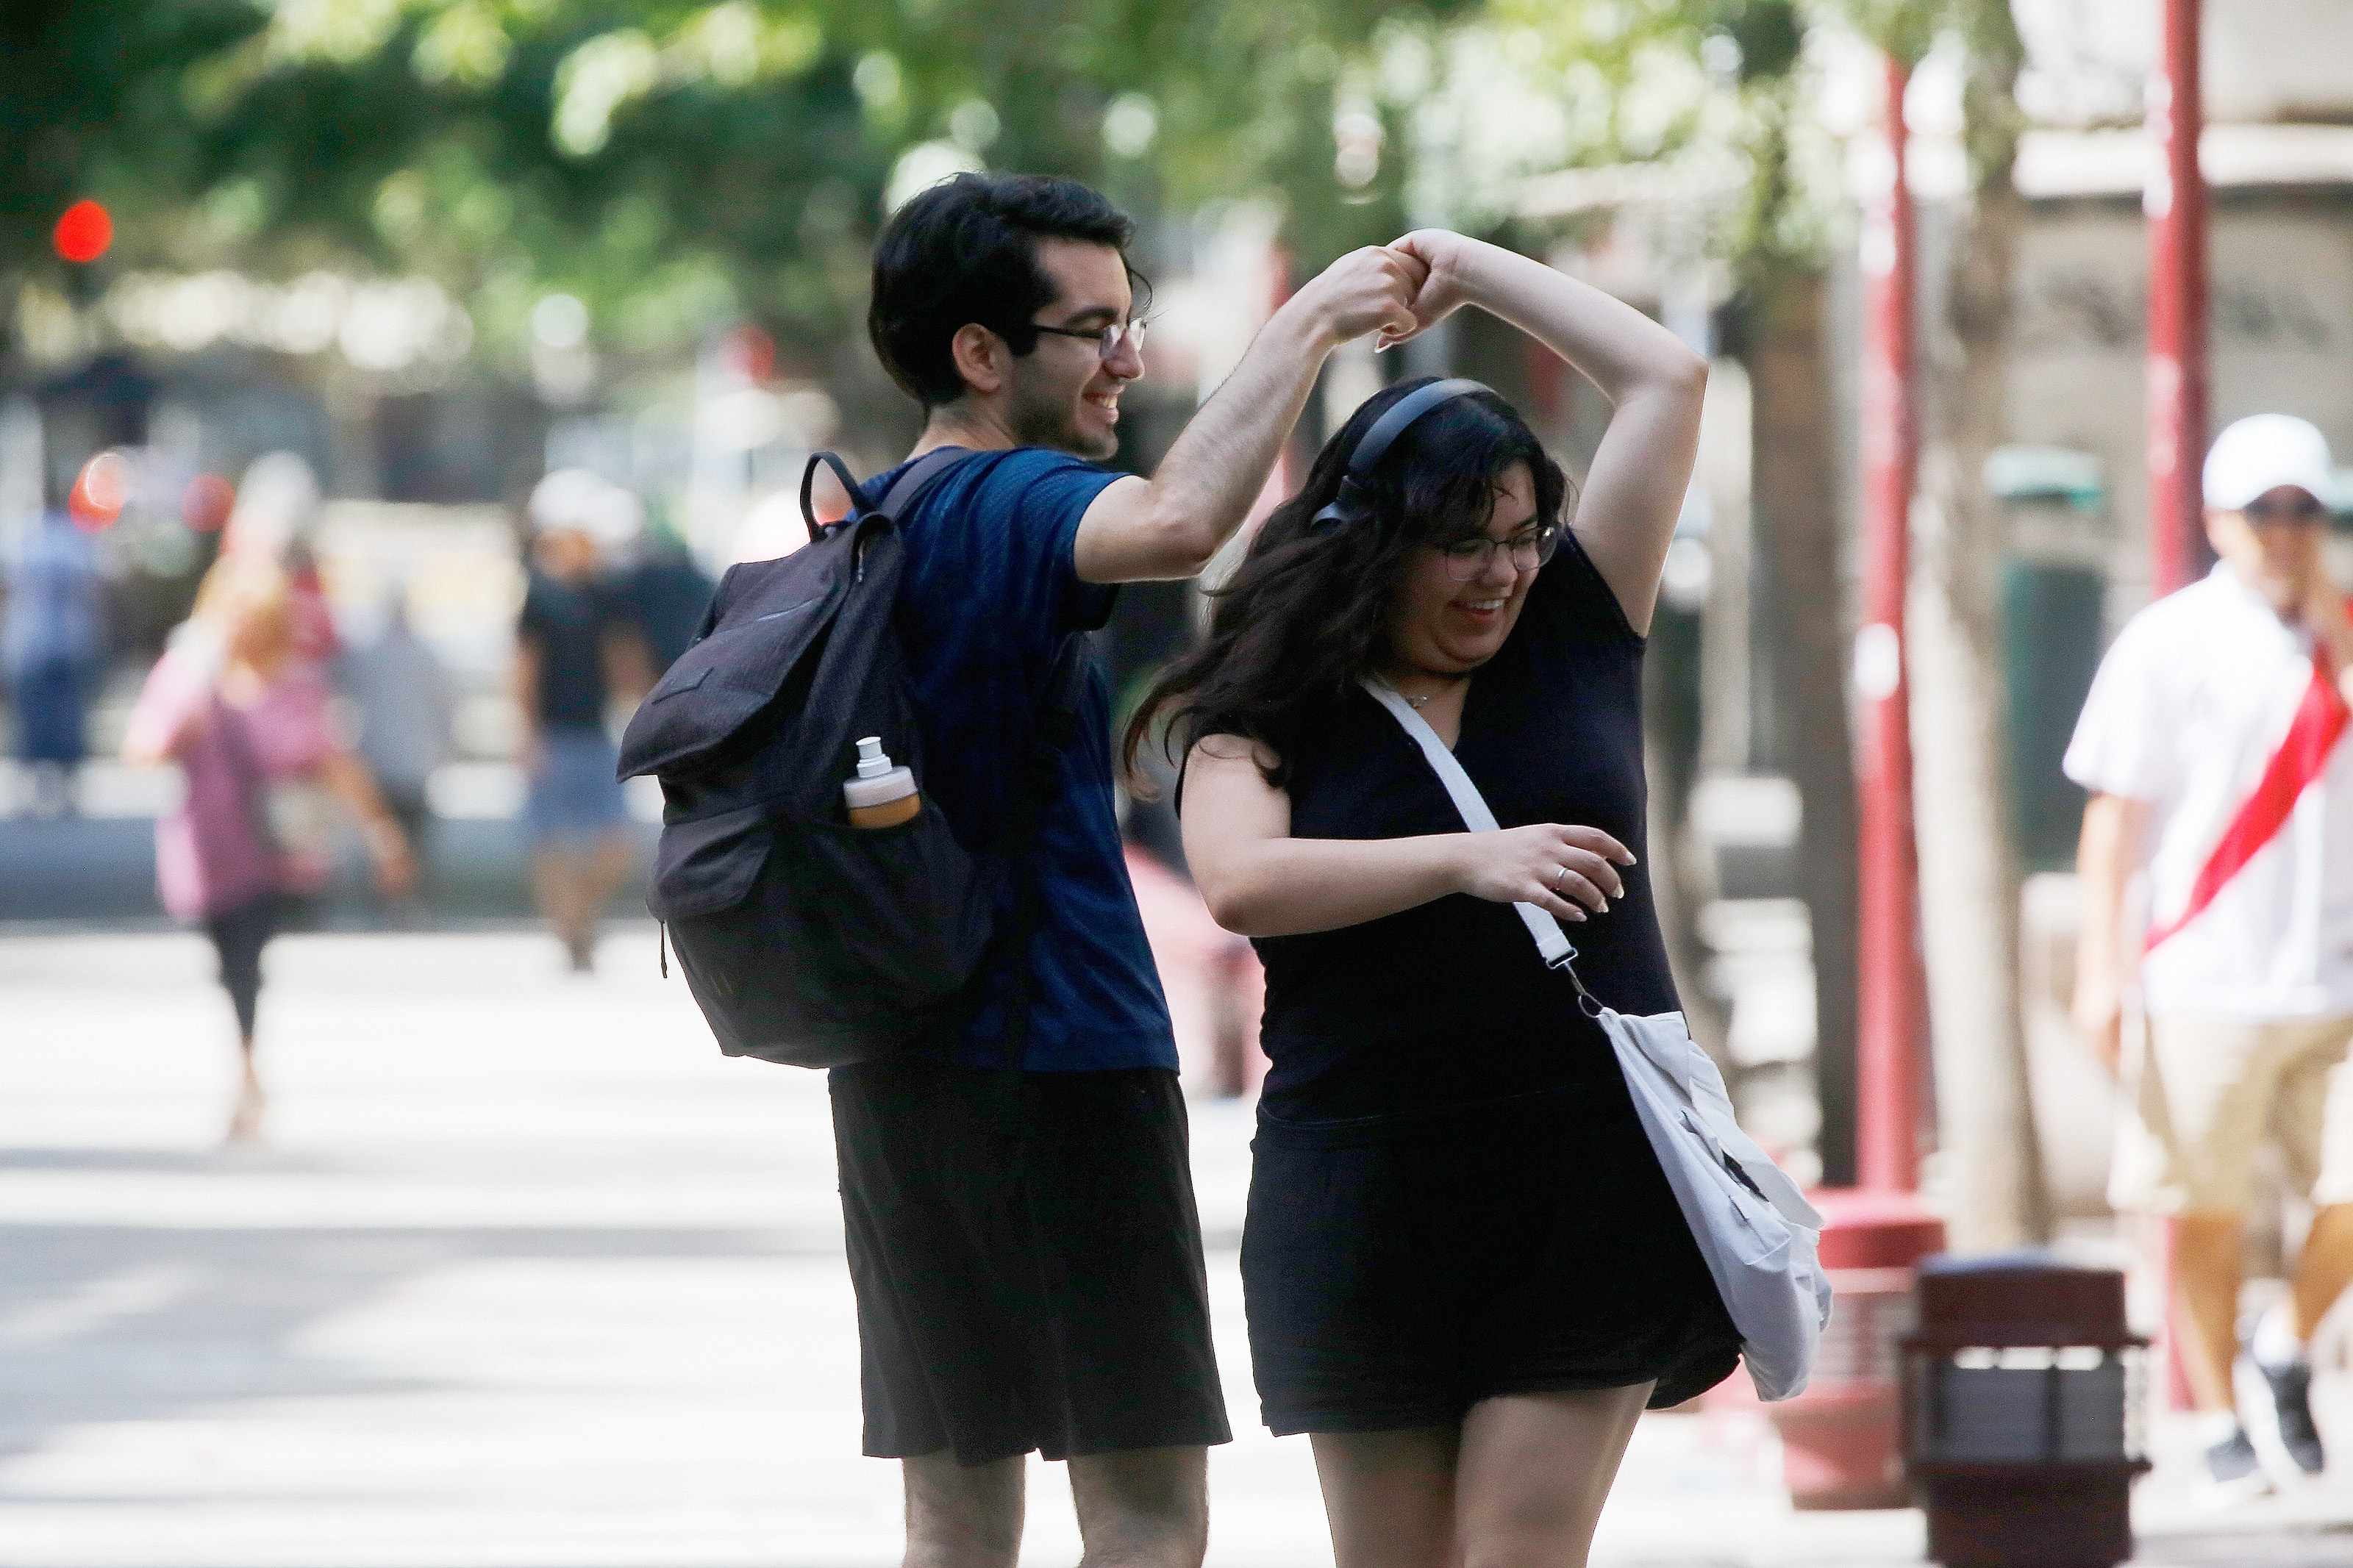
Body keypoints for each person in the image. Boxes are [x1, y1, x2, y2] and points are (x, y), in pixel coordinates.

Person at [840, 172, 1421, 1568]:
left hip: (903, 1067)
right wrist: (1307, 325)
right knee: (1147, 1514)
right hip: (1060, 1060)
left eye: (1130, 320)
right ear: (981, 354)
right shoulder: (1006, 494)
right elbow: (1173, 525)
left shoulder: (880, 510)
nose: (1127, 359)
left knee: (952, 1520)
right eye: (1093, 330)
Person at [1129, 231, 1735, 1568]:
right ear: (1373, 541)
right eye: (1463, 544)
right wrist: (1468, 859)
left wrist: (1462, 264)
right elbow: (1240, 881)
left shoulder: (1577, 624)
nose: (1502, 574)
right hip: (1363, 1186)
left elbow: (1668, 378)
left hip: (1585, 1174)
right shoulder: (1268, 698)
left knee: (1518, 1548)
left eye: (1521, 538)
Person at [2067, 412, 2353, 1494]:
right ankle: (2225, 1418)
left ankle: (2286, 1348)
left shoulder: (2342, 631)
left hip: (2335, 975)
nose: (2284, 531)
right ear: (2217, 520)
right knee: (2204, 1207)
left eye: (2303, 510)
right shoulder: (2168, 641)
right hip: (2203, 974)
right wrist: (2101, 967)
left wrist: (2333, 631)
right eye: (2262, 510)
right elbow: (2114, 815)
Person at [124, 558, 415, 1141]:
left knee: (245, 959)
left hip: (269, 852)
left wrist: (382, 833)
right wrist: (189, 711)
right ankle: (246, 1062)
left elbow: (333, 761)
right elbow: (144, 747)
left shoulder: (295, 685)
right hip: (204, 848)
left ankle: (247, 1070)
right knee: (226, 958)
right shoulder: (190, 674)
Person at [513, 469, 650, 973]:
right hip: (552, 734)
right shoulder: (538, 596)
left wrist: (648, 714)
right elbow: (524, 672)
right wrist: (526, 735)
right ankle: (571, 933)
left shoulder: (607, 595)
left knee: (616, 844)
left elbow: (624, 661)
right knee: (551, 844)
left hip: (595, 733)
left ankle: (580, 919)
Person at [340, 584, 453, 897]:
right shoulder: (425, 655)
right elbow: (445, 708)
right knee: (404, 838)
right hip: (409, 762)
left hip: (382, 760)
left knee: (386, 837)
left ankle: (395, 896)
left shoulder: (367, 653)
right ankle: (404, 896)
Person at [4, 498, 104, 817]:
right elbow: (94, 592)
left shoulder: (22, 538)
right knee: (64, 716)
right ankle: (61, 789)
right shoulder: (76, 541)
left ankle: (38, 788)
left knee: (37, 717)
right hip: (67, 641)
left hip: (32, 641)